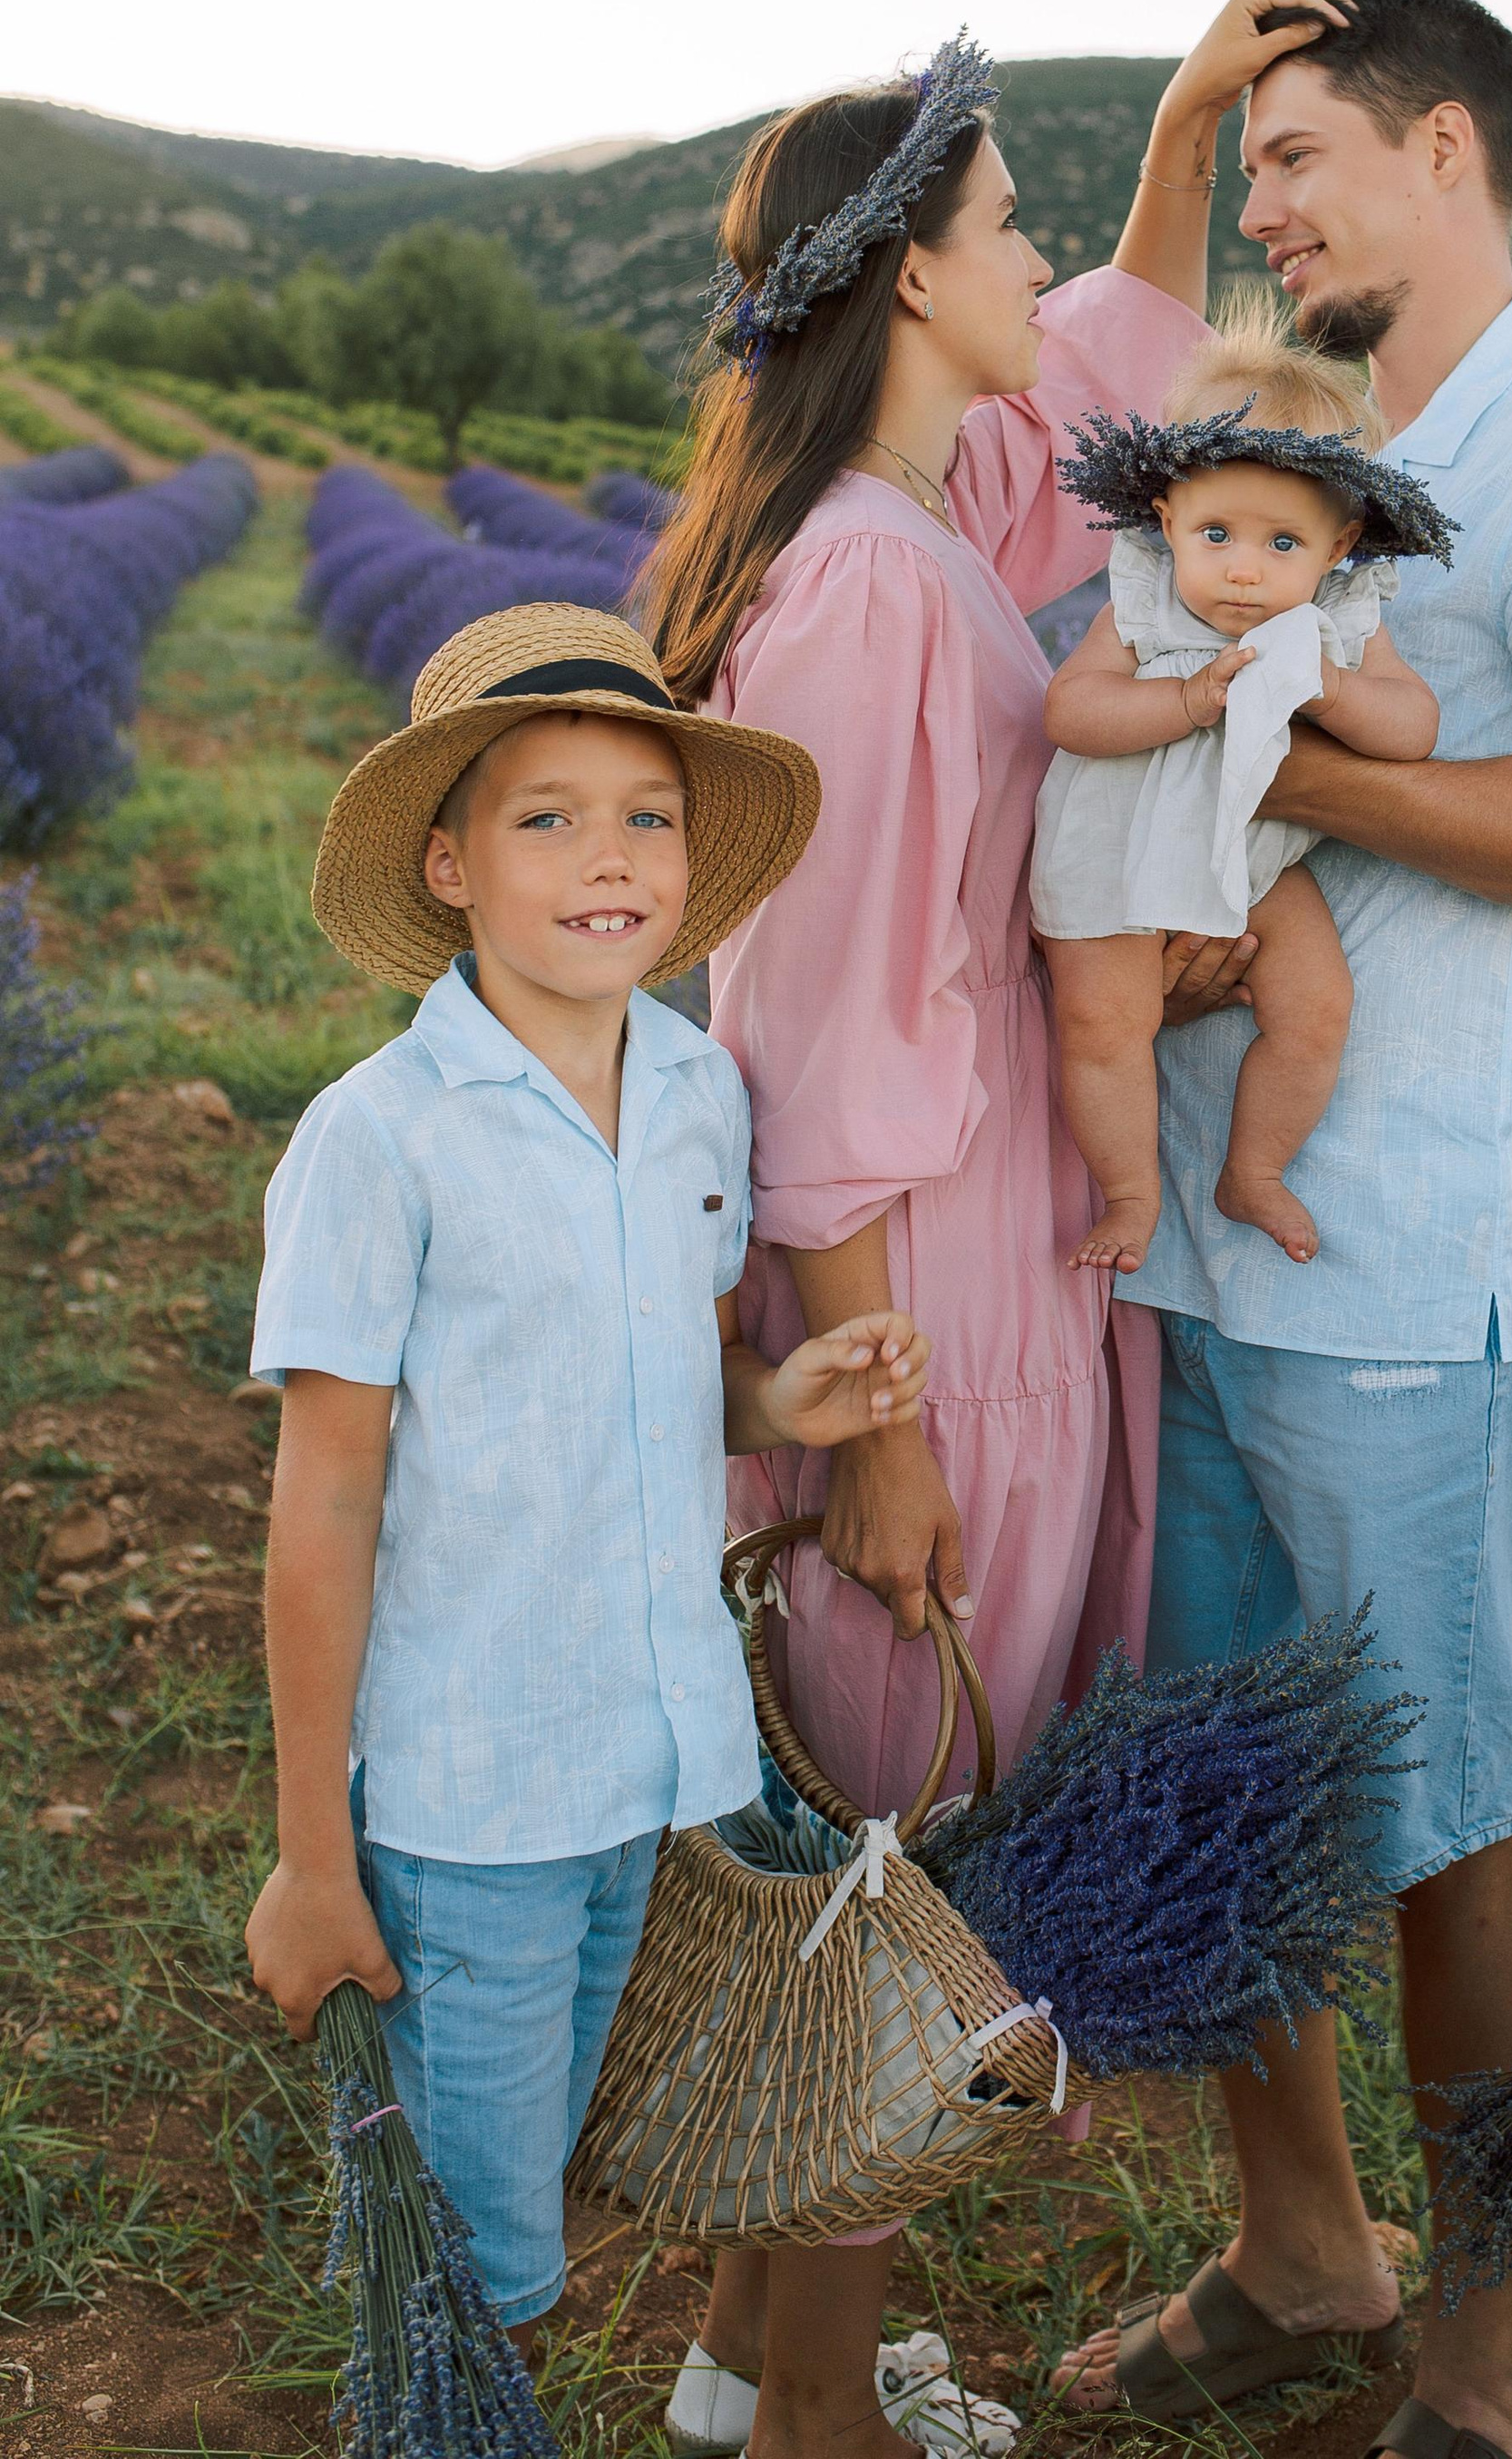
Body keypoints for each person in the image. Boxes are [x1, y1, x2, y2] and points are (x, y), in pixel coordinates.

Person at [639, 0, 1349, 2459]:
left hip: (974, 1263)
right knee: (896, 1873)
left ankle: (753, 2365)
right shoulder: (861, 587)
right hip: (914, 1292)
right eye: (1004, 219)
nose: (1037, 252)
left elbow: (1101, 400)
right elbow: (814, 1032)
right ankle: (816, 2424)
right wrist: (876, 1426)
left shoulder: (935, 525)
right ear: (910, 283)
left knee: (891, 1834)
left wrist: (1171, 138)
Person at [1054, 0, 1512, 2459]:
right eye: (1249, 171)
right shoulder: (1297, 449)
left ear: (1449, 150)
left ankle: (1483, 2342)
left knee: (1454, 1823)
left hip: (1419, 1264)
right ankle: (1301, 2249)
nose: (1270, 208)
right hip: (1207, 1251)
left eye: (1302, 157)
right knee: (1213, 1767)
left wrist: (1310, 798)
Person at [243, 605, 934, 2347]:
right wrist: (312, 1859)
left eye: (647, 815)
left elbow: (667, 1392)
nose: (607, 858)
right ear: (451, 864)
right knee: (482, 2261)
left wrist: (794, 1395)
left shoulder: (698, 1090)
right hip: (473, 1795)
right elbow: (321, 1505)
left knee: (544, 2170)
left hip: (659, 1759)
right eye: (545, 817)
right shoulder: (383, 1136)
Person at [1032, 298, 1449, 1270]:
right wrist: (1186, 703)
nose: (1245, 575)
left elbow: (1412, 729)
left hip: (1256, 850)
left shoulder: (1341, 618)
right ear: (1167, 517)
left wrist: (1331, 690)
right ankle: (1129, 1195)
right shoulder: (1143, 598)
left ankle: (1254, 1169)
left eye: (1282, 545)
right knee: (1104, 1024)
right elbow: (1071, 711)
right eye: (1215, 533)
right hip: (1118, 840)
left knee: (1315, 1008)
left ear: (1339, 546)